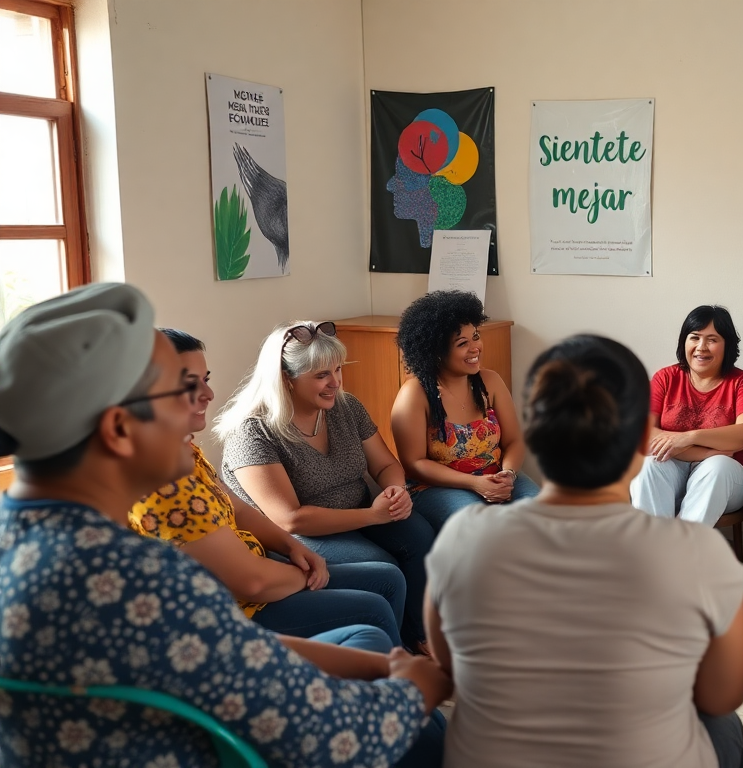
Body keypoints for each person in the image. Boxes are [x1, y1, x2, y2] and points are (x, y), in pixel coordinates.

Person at [0, 283, 451, 767]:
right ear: (119, 429)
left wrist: (383, 667)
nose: (206, 397)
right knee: (428, 730)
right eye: (181, 389)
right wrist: (414, 692)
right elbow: (327, 737)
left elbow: (226, 649)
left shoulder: (28, 539)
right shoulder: (136, 577)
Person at [424, 335, 743, 768]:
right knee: (724, 725)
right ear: (642, 438)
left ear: (532, 433)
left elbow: (451, 667)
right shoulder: (700, 553)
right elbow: (722, 694)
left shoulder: (463, 537)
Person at [130, 329, 409, 643]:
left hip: (262, 562)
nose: (208, 393)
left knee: (389, 577)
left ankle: (406, 652)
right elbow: (253, 581)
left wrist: (292, 549)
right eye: (189, 384)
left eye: (205, 379)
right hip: (232, 608)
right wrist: (301, 571)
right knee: (372, 610)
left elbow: (236, 507)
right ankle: (395, 665)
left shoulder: (183, 449)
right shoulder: (162, 479)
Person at [216, 321, 435, 648]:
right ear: (286, 379)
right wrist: (373, 516)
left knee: (420, 536)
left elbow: (386, 464)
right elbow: (290, 519)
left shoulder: (346, 407)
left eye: (338, 370)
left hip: (360, 511)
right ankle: (389, 649)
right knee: (382, 567)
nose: (336, 382)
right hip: (302, 534)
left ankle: (417, 637)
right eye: (321, 375)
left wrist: (396, 490)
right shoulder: (252, 432)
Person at [390, 290, 539, 530]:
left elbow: (514, 441)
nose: (475, 348)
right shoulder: (414, 394)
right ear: (436, 352)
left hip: (495, 474)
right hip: (437, 487)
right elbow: (414, 463)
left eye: (476, 336)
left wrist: (508, 474)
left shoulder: (490, 381)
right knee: (482, 525)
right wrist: (475, 483)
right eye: (462, 343)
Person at [629, 305, 743, 528]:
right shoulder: (665, 378)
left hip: (727, 478)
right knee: (648, 466)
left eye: (712, 339)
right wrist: (703, 452)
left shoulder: (742, 382)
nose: (701, 347)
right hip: (674, 471)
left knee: (717, 466)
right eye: (695, 337)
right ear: (684, 341)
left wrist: (689, 437)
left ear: (727, 344)